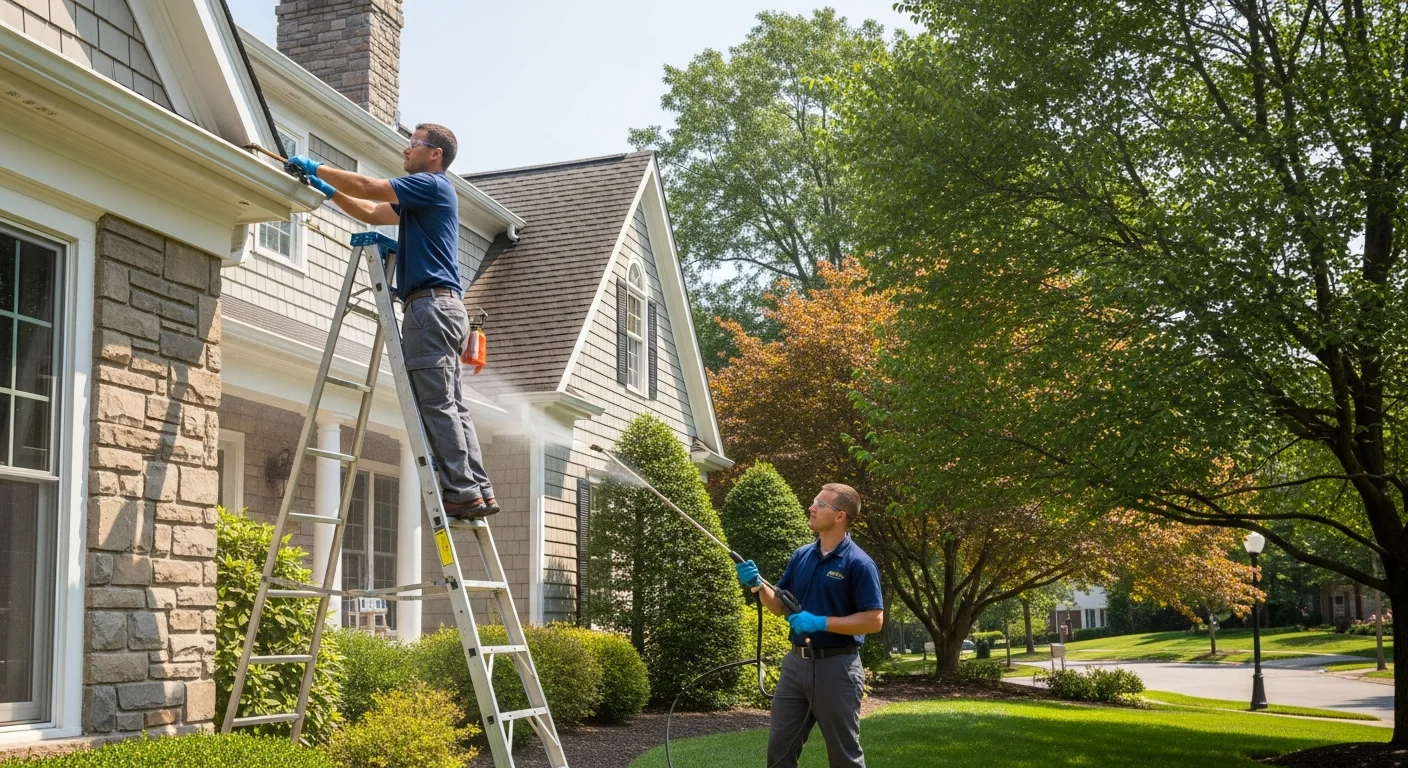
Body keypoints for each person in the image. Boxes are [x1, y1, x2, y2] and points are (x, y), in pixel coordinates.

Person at [287, 124, 498, 520]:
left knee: (436, 405)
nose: (406, 149)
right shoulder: (423, 197)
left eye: (413, 144)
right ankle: (477, 489)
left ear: (434, 154)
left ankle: (463, 491)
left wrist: (316, 166)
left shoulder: (432, 185)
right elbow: (368, 210)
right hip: (446, 308)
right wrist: (327, 190)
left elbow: (369, 187)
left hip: (430, 309)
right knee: (452, 405)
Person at [735, 483, 884, 768]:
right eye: (814, 501)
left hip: (837, 668)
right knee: (779, 751)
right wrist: (757, 586)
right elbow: (779, 605)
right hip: (795, 666)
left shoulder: (859, 563)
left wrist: (820, 622)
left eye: (820, 504)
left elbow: (874, 620)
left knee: (844, 756)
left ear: (840, 516)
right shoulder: (801, 556)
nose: (811, 507)